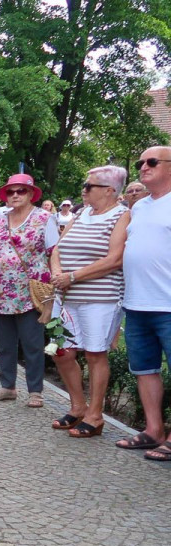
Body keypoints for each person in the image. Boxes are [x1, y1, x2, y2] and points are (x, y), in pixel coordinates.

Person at [48, 165, 129, 438]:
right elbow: (58, 248)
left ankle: (95, 415)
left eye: (89, 186)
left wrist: (73, 276)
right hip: (64, 298)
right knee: (60, 350)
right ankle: (77, 406)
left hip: (100, 299)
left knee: (95, 354)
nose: (83, 190)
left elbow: (114, 259)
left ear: (109, 190)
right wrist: (57, 272)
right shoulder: (81, 213)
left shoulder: (122, 215)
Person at [116, 146, 171, 460]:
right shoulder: (139, 207)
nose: (143, 166)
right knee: (144, 369)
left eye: (152, 162)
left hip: (168, 303)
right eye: (140, 162)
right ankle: (153, 430)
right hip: (137, 304)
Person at [0, 173, 51, 407]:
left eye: (21, 190)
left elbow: (54, 251)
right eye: (10, 192)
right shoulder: (0, 219)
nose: (15, 195)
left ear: (31, 194)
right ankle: (7, 386)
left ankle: (35, 391)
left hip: (30, 290)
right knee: (6, 342)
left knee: (32, 342)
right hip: (1, 289)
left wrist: (54, 286)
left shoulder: (44, 218)